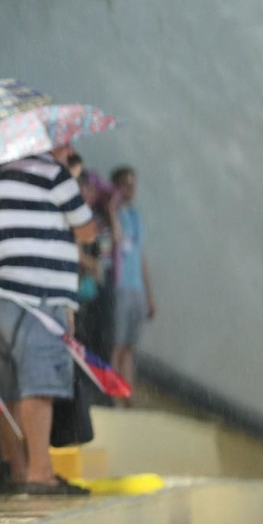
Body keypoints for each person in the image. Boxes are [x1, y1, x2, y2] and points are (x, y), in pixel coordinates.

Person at [0, 145, 96, 495]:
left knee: (9, 390)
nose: (71, 153)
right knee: (38, 386)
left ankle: (18, 470)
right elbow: (88, 231)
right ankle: (40, 472)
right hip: (40, 297)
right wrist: (71, 179)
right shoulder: (54, 175)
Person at [107, 165, 155, 407]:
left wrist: (149, 294)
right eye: (125, 184)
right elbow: (115, 240)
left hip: (136, 287)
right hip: (120, 286)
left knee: (129, 345)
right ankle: (112, 393)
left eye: (133, 184)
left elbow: (139, 253)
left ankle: (127, 393)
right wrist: (112, 210)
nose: (131, 189)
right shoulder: (111, 214)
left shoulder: (135, 215)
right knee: (116, 344)